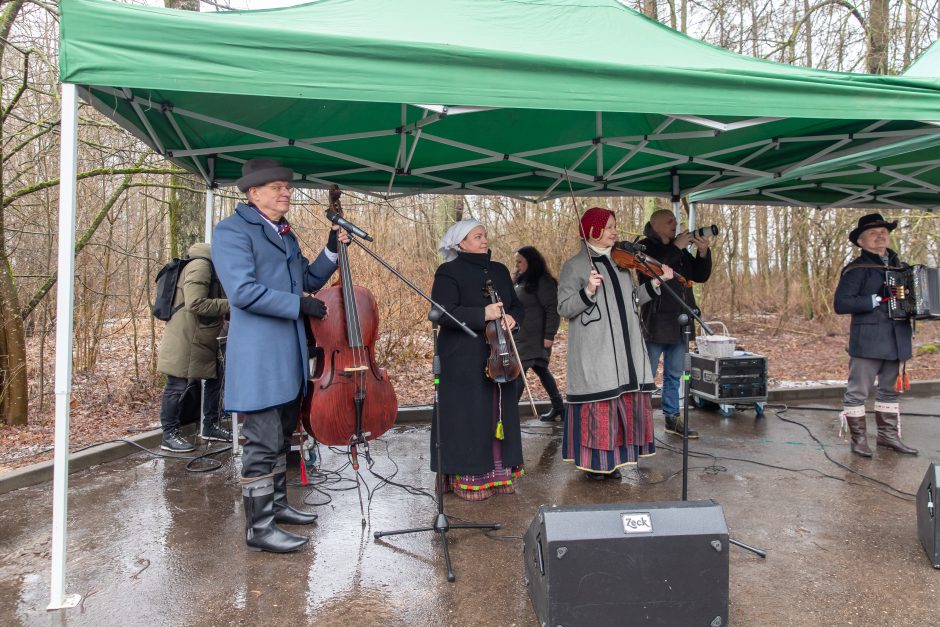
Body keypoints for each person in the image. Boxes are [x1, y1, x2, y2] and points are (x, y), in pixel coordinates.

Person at [212, 158, 349, 553]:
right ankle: (259, 528)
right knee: (260, 443)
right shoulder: (233, 231)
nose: (286, 192)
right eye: (276, 187)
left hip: (289, 356)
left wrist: (330, 250)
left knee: (281, 439)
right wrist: (299, 306)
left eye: (286, 186)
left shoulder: (285, 234)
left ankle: (278, 506)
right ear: (254, 193)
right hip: (258, 358)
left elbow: (305, 278)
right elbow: (242, 292)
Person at [558, 207, 673, 480]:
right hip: (596, 352)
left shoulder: (622, 264)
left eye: (614, 226)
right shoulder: (575, 266)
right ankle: (595, 465)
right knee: (600, 406)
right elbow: (564, 307)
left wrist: (656, 282)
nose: (614, 231)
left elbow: (632, 299)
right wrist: (587, 291)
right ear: (593, 231)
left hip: (626, 349)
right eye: (609, 226)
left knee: (623, 403)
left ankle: (616, 462)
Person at [430, 220, 525, 501]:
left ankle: (499, 476)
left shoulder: (499, 270)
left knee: (498, 414)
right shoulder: (448, 272)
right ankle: (469, 478)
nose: (484, 240)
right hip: (462, 359)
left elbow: (517, 305)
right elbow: (442, 312)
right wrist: (482, 314)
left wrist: (512, 318)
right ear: (460, 243)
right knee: (469, 417)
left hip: (500, 354)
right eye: (477, 236)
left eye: (485, 235)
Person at [833, 213, 917, 458]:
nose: (881, 235)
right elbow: (841, 304)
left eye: (884, 232)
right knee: (858, 392)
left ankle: (888, 437)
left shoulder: (901, 268)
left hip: (897, 339)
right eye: (873, 233)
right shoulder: (857, 270)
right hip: (868, 341)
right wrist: (874, 299)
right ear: (861, 242)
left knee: (890, 391)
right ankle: (858, 441)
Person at [638, 209, 712, 439]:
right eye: (670, 221)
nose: (675, 224)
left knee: (674, 374)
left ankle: (672, 418)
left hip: (681, 321)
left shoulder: (677, 248)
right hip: (656, 321)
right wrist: (677, 247)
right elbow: (653, 272)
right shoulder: (644, 247)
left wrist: (703, 252)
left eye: (675, 220)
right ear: (655, 224)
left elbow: (699, 275)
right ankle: (639, 422)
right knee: (645, 375)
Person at [157, 242, 231, 452]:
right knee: (177, 383)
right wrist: (232, 303)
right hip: (186, 336)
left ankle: (210, 425)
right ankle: (169, 435)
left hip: (203, 335)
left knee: (215, 377)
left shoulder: (210, 266)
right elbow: (196, 303)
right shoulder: (201, 266)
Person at [513, 246, 564, 422]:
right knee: (541, 369)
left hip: (535, 338)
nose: (517, 265)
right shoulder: (521, 279)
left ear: (531, 261)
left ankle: (509, 414)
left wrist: (549, 336)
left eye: (520, 261)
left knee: (518, 373)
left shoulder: (543, 281)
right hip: (522, 337)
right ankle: (559, 407)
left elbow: (553, 309)